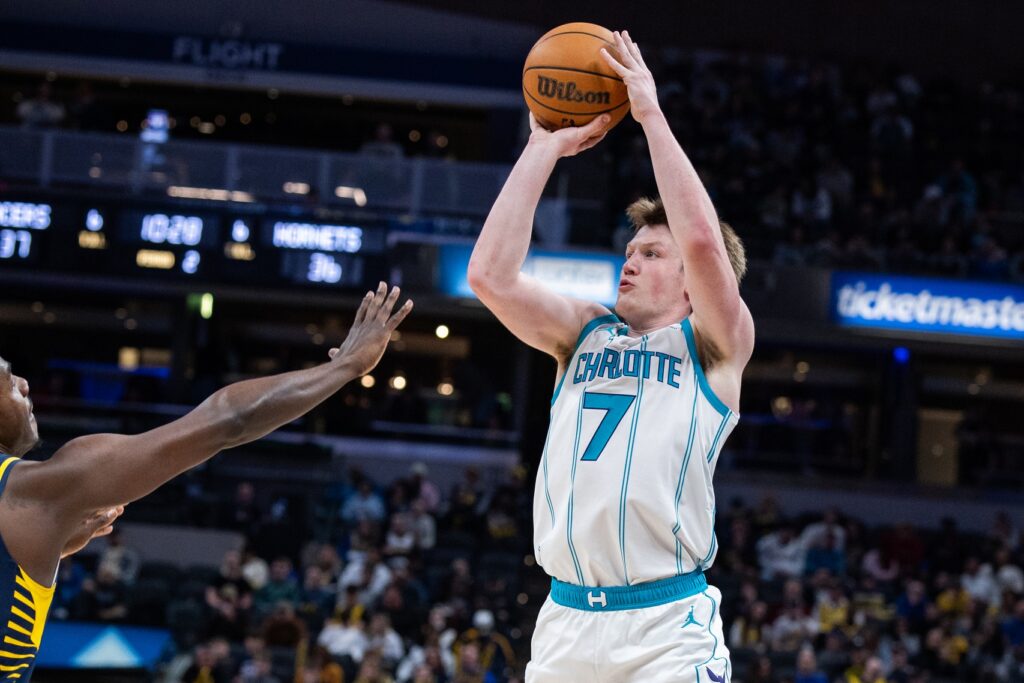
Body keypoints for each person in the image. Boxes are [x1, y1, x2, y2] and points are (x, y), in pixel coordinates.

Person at [468, 30, 753, 683]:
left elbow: (702, 241)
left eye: (651, 254)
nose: (631, 261)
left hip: (666, 631)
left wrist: (649, 112)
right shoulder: (584, 333)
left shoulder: (715, 344)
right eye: (630, 251)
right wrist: (543, 147)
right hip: (564, 623)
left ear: (691, 284)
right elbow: (489, 275)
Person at [0, 283, 411, 682]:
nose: (24, 384)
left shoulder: (33, 507)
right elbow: (229, 420)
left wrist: (50, 546)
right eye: (6, 380)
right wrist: (345, 366)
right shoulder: (34, 493)